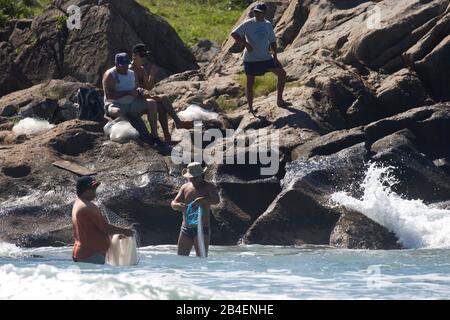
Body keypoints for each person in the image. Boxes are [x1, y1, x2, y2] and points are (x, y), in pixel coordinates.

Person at [231, 2, 289, 114]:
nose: (257, 14)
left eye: (259, 12)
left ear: (264, 13)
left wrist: (275, 56)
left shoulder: (267, 24)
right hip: (250, 59)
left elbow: (272, 41)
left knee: (282, 74)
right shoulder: (248, 23)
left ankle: (280, 101)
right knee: (250, 83)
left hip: (266, 58)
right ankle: (251, 109)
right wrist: (246, 44)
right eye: (256, 12)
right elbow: (234, 34)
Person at [130, 44, 193, 144]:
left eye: (145, 55)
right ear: (134, 55)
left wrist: (152, 75)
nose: (144, 58)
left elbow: (149, 87)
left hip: (142, 97)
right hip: (135, 100)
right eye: (142, 55)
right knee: (163, 98)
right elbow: (133, 90)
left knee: (162, 107)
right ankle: (178, 123)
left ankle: (167, 137)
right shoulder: (130, 70)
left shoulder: (141, 69)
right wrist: (146, 95)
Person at [102, 52, 165, 147]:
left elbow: (135, 89)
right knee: (118, 111)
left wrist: (140, 92)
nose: (125, 68)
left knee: (152, 103)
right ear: (116, 65)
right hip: (115, 104)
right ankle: (129, 133)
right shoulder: (110, 75)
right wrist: (127, 93)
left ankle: (155, 136)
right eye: (122, 66)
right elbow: (109, 95)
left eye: (127, 65)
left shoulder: (132, 74)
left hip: (132, 103)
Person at [72, 176, 134, 265]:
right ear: (84, 189)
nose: (95, 190)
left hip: (82, 253)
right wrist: (124, 231)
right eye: (92, 187)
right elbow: (105, 228)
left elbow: (92, 230)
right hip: (91, 255)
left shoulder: (77, 204)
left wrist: (118, 234)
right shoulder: (88, 207)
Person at [171, 162, 220, 257]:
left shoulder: (209, 186)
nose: (193, 180)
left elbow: (216, 200)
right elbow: (173, 203)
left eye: (196, 177)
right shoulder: (185, 187)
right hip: (186, 228)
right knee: (181, 259)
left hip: (201, 228)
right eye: (191, 177)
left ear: (202, 175)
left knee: (201, 259)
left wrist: (203, 200)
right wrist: (178, 206)